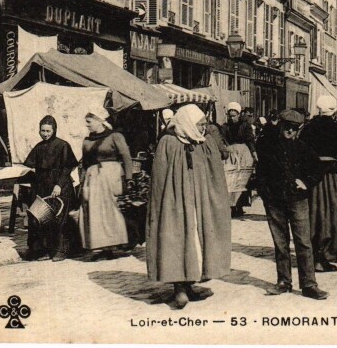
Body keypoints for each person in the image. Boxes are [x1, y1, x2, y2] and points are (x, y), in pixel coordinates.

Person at [146, 105, 232, 309]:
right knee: (178, 240)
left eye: (204, 125)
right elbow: (158, 178)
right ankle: (179, 288)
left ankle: (190, 283)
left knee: (197, 241)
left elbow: (215, 172)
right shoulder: (168, 142)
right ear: (188, 123)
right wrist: (160, 205)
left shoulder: (204, 143)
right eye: (200, 124)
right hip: (175, 202)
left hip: (199, 202)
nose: (203, 128)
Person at [255, 110, 329, 300]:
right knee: (280, 244)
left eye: (294, 128)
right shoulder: (267, 146)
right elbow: (260, 172)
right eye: (286, 126)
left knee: (303, 243)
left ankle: (309, 284)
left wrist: (306, 182)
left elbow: (318, 170)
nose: (289, 131)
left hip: (297, 200)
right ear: (280, 125)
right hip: (274, 201)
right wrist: (265, 193)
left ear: (299, 129)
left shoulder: (303, 148)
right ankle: (283, 282)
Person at [299, 96, 337, 272]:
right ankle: (326, 255)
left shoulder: (307, 129)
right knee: (336, 215)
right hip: (333, 177)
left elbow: (301, 153)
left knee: (315, 216)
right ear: (333, 110)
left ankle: (315, 256)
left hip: (313, 179)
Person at [22, 115, 79, 262]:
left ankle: (60, 251)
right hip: (42, 186)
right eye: (43, 131)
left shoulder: (63, 145)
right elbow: (32, 165)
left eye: (48, 131)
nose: (45, 134)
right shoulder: (39, 147)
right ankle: (45, 250)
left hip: (59, 186)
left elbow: (68, 167)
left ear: (54, 130)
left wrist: (59, 185)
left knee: (59, 218)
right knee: (42, 218)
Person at [78, 107, 133, 257]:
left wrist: (128, 179)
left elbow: (126, 157)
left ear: (99, 120)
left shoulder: (115, 136)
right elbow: (84, 163)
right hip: (92, 177)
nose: (87, 125)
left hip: (110, 176)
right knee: (94, 212)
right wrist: (82, 182)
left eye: (89, 122)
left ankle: (114, 244)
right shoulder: (87, 140)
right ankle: (101, 246)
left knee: (110, 211)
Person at [221, 102, 258, 217]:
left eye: (234, 115)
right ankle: (231, 206)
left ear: (239, 115)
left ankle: (240, 205)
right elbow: (222, 139)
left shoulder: (245, 126)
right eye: (230, 116)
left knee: (242, 178)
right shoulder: (225, 127)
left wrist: (254, 153)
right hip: (230, 154)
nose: (232, 118)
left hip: (243, 153)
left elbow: (250, 140)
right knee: (230, 179)